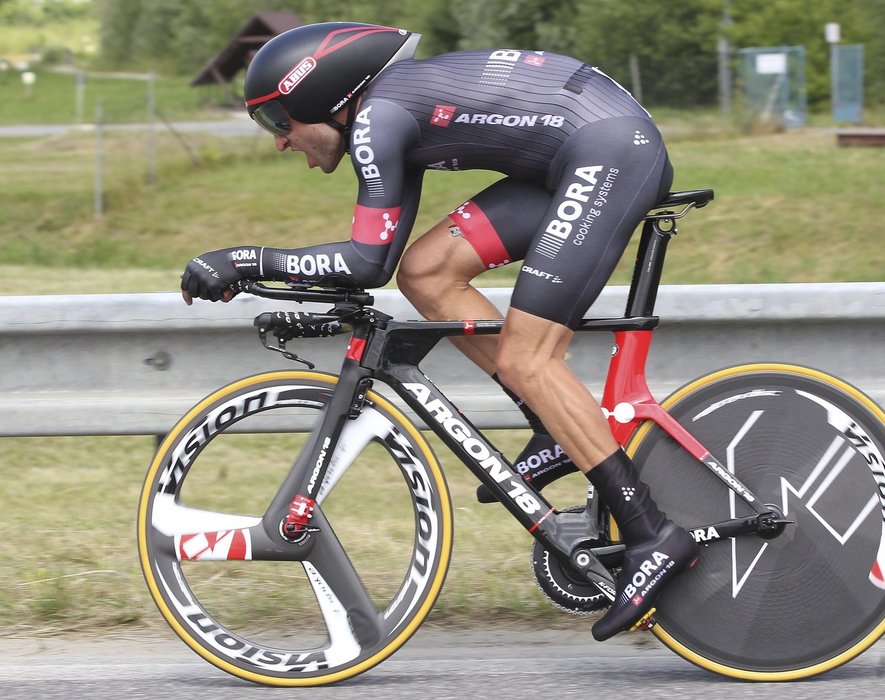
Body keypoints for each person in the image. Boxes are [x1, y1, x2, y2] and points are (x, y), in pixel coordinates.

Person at [180, 21, 697, 641]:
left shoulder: (377, 120)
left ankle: (651, 533)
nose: (280, 144)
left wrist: (245, 261)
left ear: (321, 101)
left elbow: (364, 264)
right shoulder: (389, 113)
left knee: (531, 357)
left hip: (610, 153)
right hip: (585, 149)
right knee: (426, 274)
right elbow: (388, 262)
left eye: (278, 123)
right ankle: (553, 430)